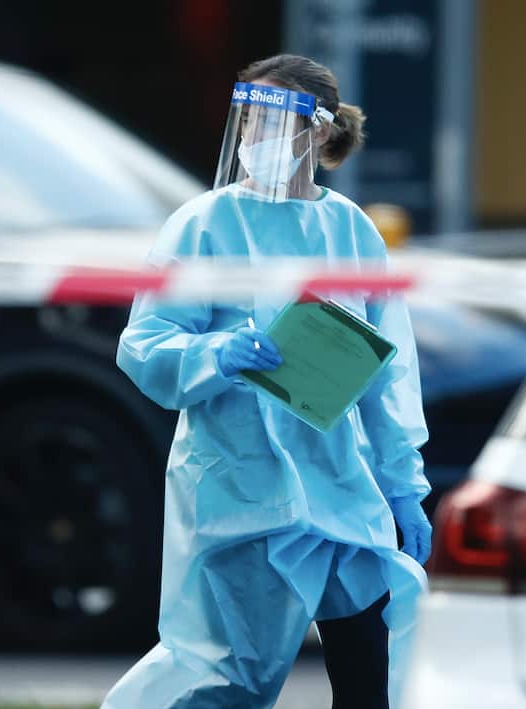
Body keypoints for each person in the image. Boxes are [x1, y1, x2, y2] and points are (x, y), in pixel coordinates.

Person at [105, 54, 431, 709]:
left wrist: (402, 484)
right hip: (239, 492)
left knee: (371, 677)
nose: (255, 136)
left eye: (272, 121)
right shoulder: (203, 223)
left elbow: (385, 373)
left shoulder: (351, 231)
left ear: (317, 130)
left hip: (338, 491)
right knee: (222, 679)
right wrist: (216, 354)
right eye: (248, 120)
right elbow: (145, 344)